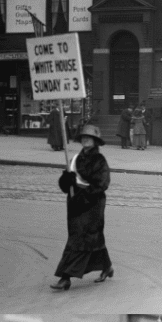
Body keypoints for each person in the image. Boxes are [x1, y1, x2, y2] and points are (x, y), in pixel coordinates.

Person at [50, 123, 114, 291]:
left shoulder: (100, 160)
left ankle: (65, 278)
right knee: (92, 239)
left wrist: (84, 197)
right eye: (84, 137)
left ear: (95, 141)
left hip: (92, 205)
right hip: (75, 205)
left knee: (79, 240)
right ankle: (106, 267)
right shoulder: (75, 159)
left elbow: (102, 184)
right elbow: (65, 186)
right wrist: (67, 180)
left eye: (89, 138)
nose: (86, 140)